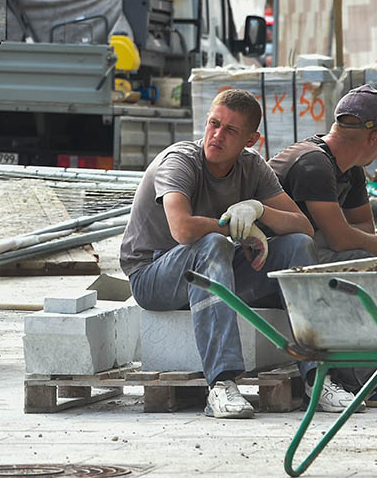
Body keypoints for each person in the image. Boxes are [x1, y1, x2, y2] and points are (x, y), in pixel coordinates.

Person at [119, 89, 348, 418]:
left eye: (230, 130)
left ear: (252, 139)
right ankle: (221, 384)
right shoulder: (181, 161)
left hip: (215, 271)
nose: (216, 135)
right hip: (154, 276)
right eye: (214, 124)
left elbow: (304, 227)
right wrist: (235, 229)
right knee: (212, 243)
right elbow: (182, 230)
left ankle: (316, 376)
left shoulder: (252, 166)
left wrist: (258, 209)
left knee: (297, 246)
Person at [268, 84, 377, 263]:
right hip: (266, 254)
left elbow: (366, 228)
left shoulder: (352, 168)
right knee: (363, 259)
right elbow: (341, 241)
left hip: (309, 247)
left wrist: (342, 232)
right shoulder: (313, 164)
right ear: (374, 137)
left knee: (362, 255)